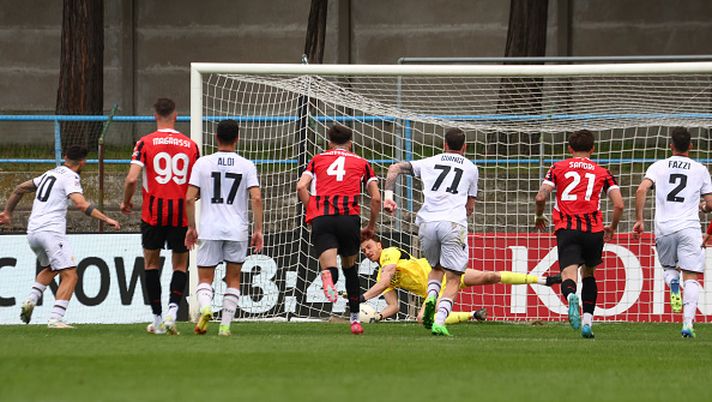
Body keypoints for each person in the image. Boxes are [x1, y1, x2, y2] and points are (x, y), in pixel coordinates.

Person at [0, 145, 120, 328]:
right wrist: (106, 218)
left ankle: (31, 300)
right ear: (82, 162)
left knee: (52, 267)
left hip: (33, 232)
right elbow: (80, 204)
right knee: (71, 274)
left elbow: (19, 188)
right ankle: (56, 319)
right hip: (51, 231)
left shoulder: (49, 174)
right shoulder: (71, 177)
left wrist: (7, 212)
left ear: (65, 157)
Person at [383, 127, 478, 336]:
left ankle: (431, 296)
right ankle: (439, 320)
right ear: (465, 147)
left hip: (427, 223)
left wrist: (388, 196)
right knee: (453, 278)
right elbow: (469, 207)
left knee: (435, 269)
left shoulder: (429, 162)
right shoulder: (471, 168)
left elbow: (394, 168)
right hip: (453, 223)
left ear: (444, 144)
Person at [534, 129, 624, 339]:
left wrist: (539, 215)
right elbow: (619, 204)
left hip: (568, 229)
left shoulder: (557, 167)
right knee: (589, 274)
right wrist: (612, 227)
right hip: (593, 231)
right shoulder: (603, 172)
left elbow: (540, 197)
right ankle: (587, 323)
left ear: (569, 148)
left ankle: (571, 295)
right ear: (593, 149)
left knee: (568, 275)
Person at [121, 98, 200, 335]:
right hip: (180, 214)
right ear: (175, 116)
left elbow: (132, 178)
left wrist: (126, 201)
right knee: (180, 265)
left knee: (151, 263)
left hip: (153, 214)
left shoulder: (144, 143)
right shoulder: (190, 145)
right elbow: (196, 185)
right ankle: (172, 312)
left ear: (155, 116)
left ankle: (156, 318)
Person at [358, 234, 561, 323]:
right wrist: (378, 316)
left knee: (489, 276)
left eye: (369, 247)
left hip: (445, 273)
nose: (367, 252)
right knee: (422, 319)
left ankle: (543, 280)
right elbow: (393, 306)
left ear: (379, 245)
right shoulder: (380, 274)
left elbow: (384, 282)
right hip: (435, 290)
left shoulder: (390, 254)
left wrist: (360, 298)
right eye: (363, 250)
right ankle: (474, 315)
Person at [296, 124, 381, 335]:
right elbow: (376, 198)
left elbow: (300, 187)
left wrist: (313, 210)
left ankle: (328, 276)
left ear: (329, 142)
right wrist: (370, 226)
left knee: (330, 267)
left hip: (322, 219)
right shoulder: (362, 162)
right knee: (350, 268)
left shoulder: (317, 159)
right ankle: (354, 320)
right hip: (348, 219)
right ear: (350, 143)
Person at [185, 119, 263, 336]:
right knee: (234, 278)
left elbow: (189, 199)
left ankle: (206, 307)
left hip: (209, 228)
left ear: (216, 138)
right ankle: (225, 326)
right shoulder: (246, 165)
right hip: (237, 230)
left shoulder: (202, 163)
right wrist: (258, 230)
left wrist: (191, 227)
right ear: (237, 138)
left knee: (204, 279)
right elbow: (256, 198)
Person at [633, 127, 712, 338]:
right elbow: (711, 204)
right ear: (691, 146)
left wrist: (640, 220)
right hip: (689, 228)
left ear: (671, 145)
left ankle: (672, 283)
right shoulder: (700, 169)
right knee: (692, 277)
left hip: (664, 228)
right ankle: (688, 324)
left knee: (669, 268)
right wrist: (702, 208)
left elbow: (641, 190)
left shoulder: (659, 166)